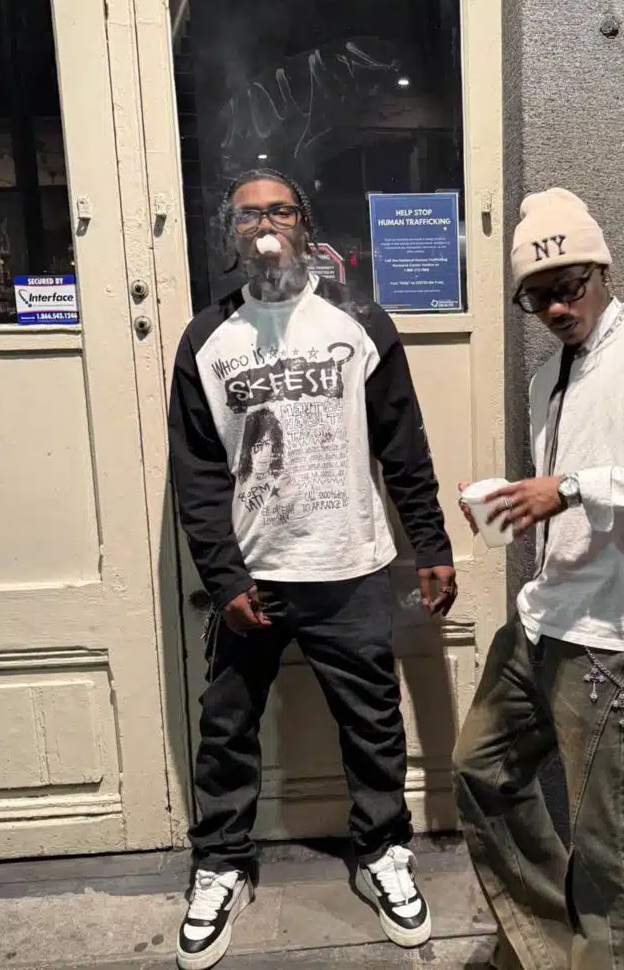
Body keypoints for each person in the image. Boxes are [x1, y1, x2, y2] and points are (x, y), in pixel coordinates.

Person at [168, 168, 456, 970]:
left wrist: (431, 545)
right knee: (226, 728)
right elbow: (196, 475)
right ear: (230, 234)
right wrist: (224, 579)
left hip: (349, 565)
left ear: (305, 224)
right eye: (249, 216)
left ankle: (382, 851)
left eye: (280, 211)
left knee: (372, 721)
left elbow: (403, 445)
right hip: (252, 577)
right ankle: (222, 863)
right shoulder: (206, 339)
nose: (266, 227)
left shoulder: (360, 322)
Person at [452, 188, 624, 970]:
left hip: (616, 630)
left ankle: (623, 957)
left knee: (610, 836)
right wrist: (519, 504)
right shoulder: (548, 377)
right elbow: (571, 488)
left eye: (568, 286)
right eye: (536, 296)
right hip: (545, 617)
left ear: (602, 270)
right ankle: (565, 946)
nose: (554, 308)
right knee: (482, 769)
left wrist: (572, 488)